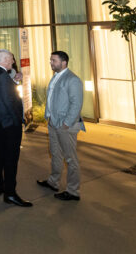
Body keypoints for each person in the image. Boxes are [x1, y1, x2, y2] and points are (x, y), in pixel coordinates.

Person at [37, 51, 85, 201]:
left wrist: (66, 123)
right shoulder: (56, 77)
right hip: (53, 123)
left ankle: (73, 191)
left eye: (54, 60)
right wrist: (49, 118)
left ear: (64, 62)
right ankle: (53, 182)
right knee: (55, 154)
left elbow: (76, 104)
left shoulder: (73, 79)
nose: (51, 63)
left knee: (70, 159)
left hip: (66, 126)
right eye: (50, 60)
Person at [0, 49, 31, 207]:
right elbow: (10, 101)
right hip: (9, 123)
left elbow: (2, 93)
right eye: (11, 59)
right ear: (5, 59)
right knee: (11, 158)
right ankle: (10, 193)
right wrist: (20, 119)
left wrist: (14, 81)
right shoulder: (3, 76)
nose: (13, 61)